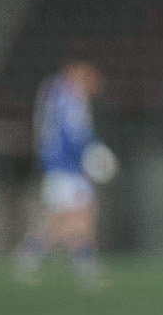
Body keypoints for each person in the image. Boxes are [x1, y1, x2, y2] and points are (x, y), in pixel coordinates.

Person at [14, 61, 115, 288]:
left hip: (56, 167)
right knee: (77, 220)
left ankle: (32, 259)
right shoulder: (70, 98)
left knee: (65, 221)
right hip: (68, 168)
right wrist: (93, 152)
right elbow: (74, 135)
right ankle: (82, 270)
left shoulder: (53, 93)